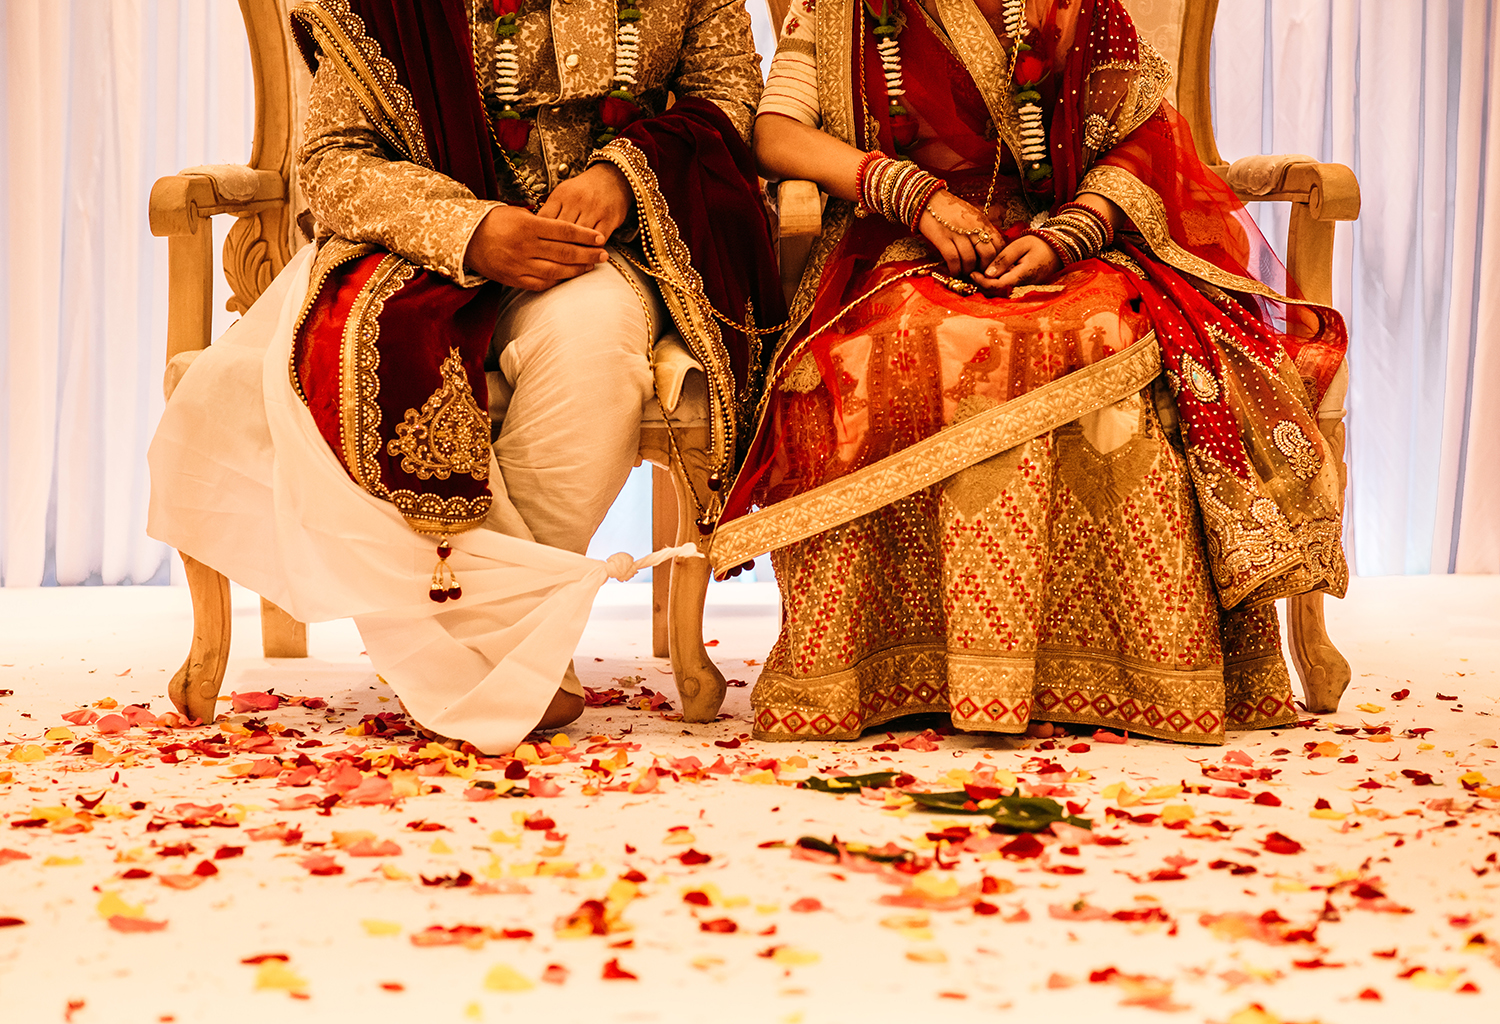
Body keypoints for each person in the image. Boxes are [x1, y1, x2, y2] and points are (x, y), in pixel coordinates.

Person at [148, 0, 783, 753]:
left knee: (593, 347)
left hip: (601, 251)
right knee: (366, 363)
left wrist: (621, 175)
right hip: (418, 246)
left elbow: (731, 100)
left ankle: (481, 656)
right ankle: (509, 665)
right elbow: (331, 162)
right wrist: (472, 231)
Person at [707, 0, 1349, 744]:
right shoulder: (845, 7)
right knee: (907, 340)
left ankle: (1123, 666)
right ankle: (887, 665)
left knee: (1106, 333)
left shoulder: (1076, 8)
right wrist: (912, 194)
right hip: (902, 242)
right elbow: (776, 133)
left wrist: (1075, 229)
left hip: (1064, 238)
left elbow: (1143, 133)